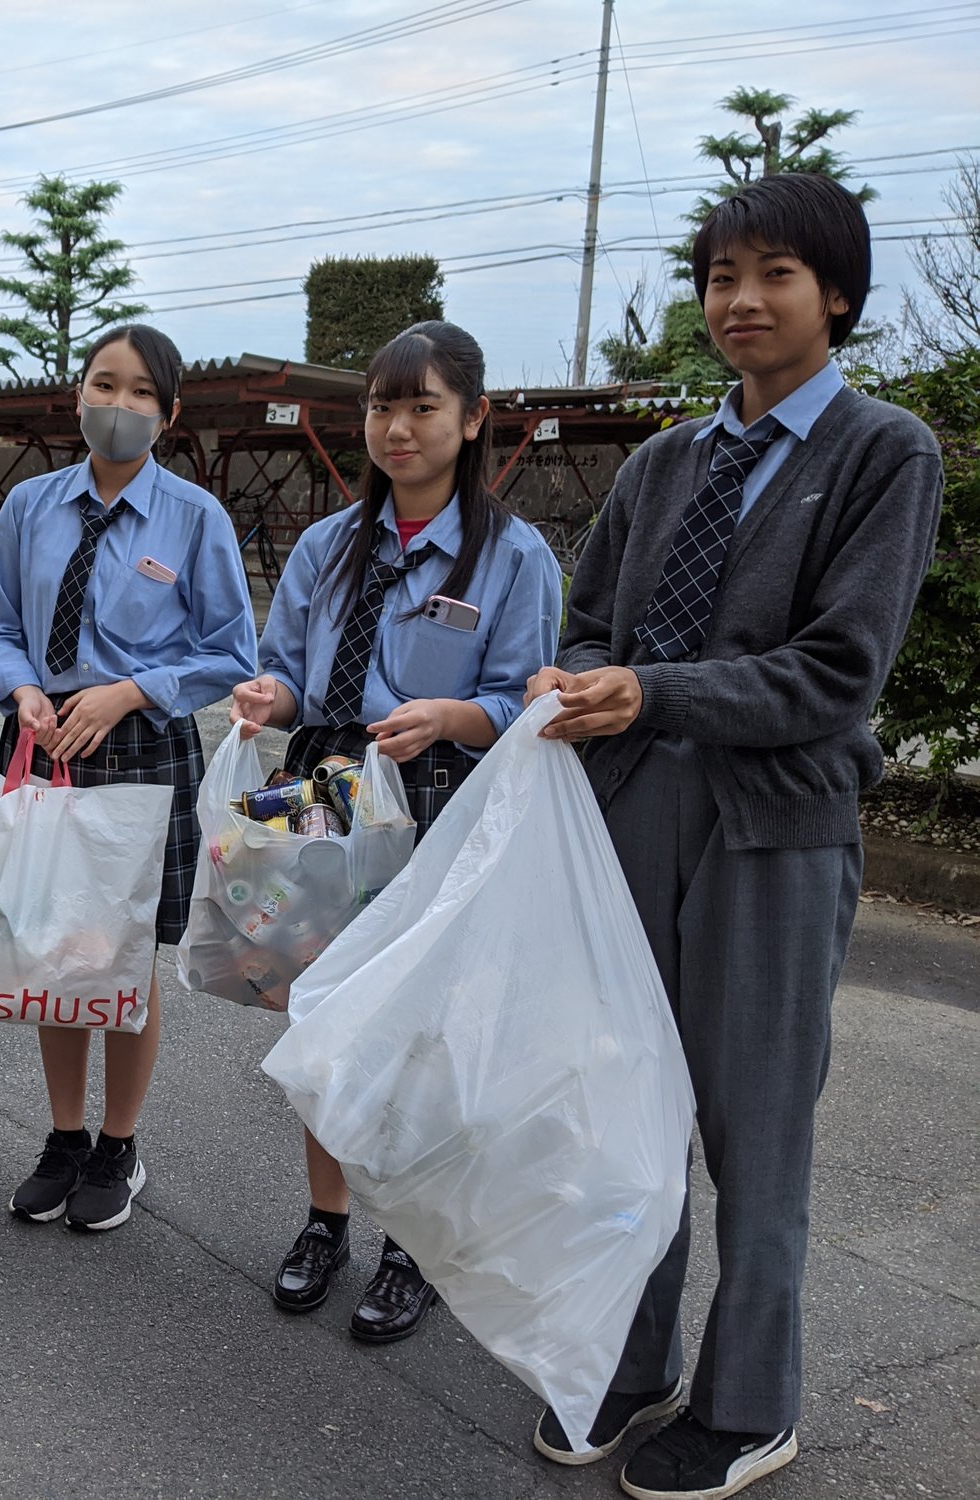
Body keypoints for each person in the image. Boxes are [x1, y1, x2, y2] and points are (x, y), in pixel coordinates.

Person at [525, 174, 942, 1500]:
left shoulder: (885, 452)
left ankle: (752, 1400)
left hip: (775, 829)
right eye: (720, 276)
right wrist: (583, 684)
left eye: (774, 273)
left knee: (754, 1127)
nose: (741, 300)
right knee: (630, 1105)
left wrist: (654, 689)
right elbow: (593, 624)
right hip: (636, 809)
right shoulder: (664, 463)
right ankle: (632, 1359)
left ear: (838, 296)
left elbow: (838, 672)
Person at [232, 320, 562, 1341]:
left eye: (421, 405)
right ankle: (325, 1221)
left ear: (471, 420)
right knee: (319, 1018)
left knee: (421, 1034)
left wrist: (459, 718)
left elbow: (531, 702)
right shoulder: (329, 545)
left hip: (437, 804)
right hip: (319, 789)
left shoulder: (512, 557)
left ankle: (409, 1243)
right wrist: (265, 694)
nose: (397, 426)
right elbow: (286, 669)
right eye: (381, 404)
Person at [0, 323, 257, 1232]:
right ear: (79, 395)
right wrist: (21, 689)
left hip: (137, 748)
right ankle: (63, 1136)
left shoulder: (195, 517)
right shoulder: (29, 506)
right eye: (106, 384)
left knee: (122, 958)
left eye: (141, 393)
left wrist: (130, 692)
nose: (120, 406)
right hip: (42, 739)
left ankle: (118, 1144)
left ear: (168, 414)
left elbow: (229, 654)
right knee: (55, 948)